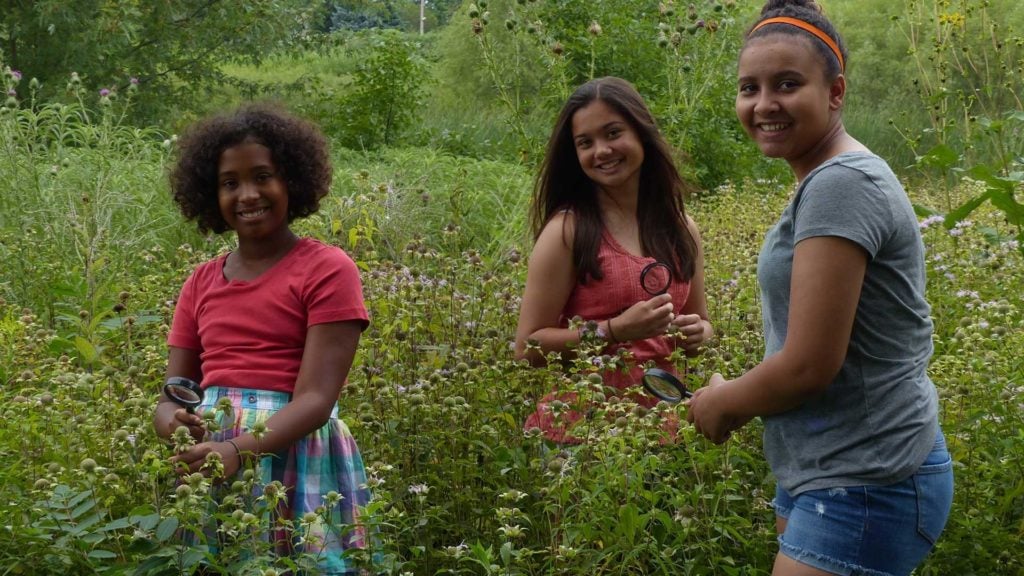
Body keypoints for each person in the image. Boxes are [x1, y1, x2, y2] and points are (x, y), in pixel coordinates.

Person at [684, 1, 954, 574]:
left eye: (787, 84)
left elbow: (809, 364)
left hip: (868, 478)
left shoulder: (842, 185)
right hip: (829, 469)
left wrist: (723, 402)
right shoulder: (829, 179)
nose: (763, 105)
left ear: (835, 92)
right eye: (748, 88)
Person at [152, 104, 371, 574]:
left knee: (306, 564)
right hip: (211, 459)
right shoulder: (200, 282)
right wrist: (174, 423)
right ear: (210, 195)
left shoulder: (328, 269)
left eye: (263, 177)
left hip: (296, 449)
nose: (247, 194)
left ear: (292, 180)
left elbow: (316, 398)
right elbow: (173, 392)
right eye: (230, 183)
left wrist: (236, 450)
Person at [514, 76, 713, 444]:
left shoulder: (682, 230)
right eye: (585, 143)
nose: (601, 151)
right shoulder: (567, 232)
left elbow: (701, 325)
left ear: (641, 133)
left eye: (613, 133)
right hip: (580, 437)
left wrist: (699, 334)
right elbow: (528, 348)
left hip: (667, 432)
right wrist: (614, 330)